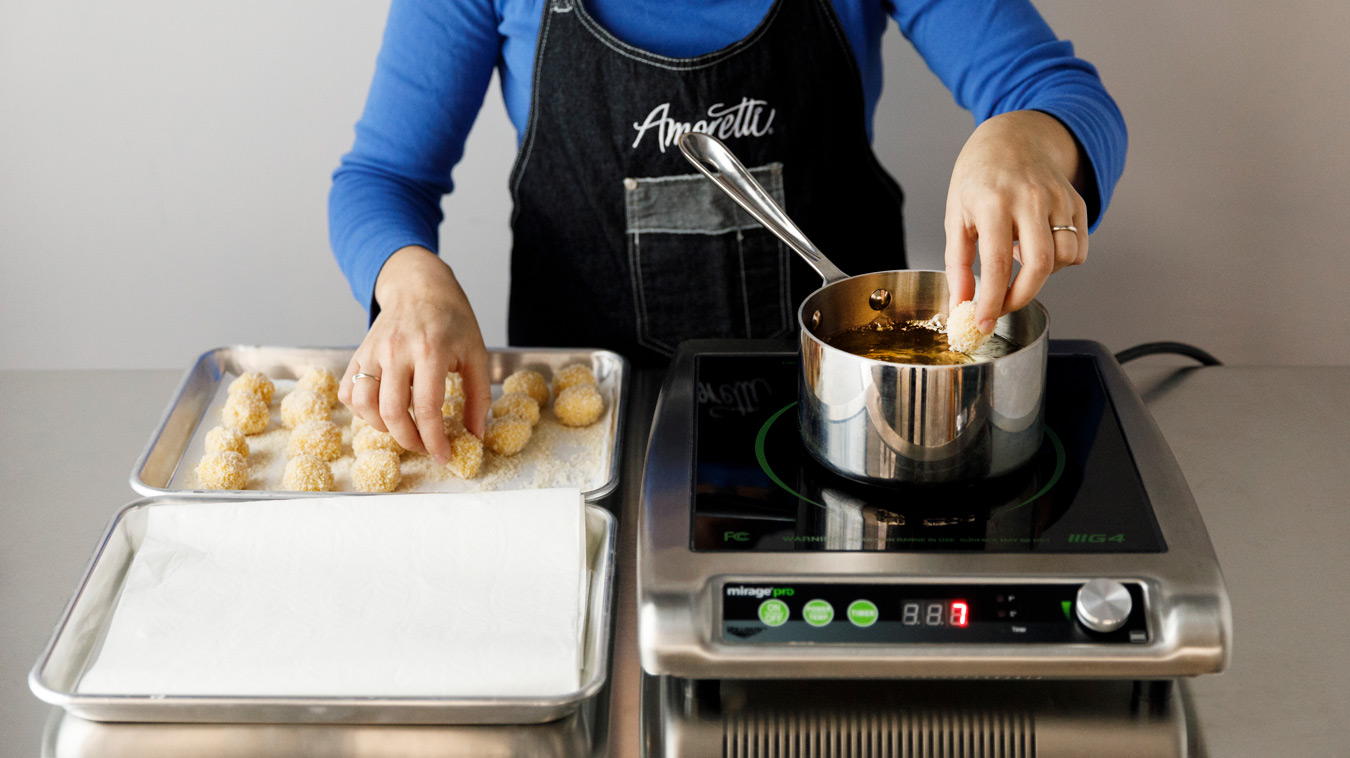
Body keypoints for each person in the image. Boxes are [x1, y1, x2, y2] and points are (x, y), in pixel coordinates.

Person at [329, 0, 1127, 465]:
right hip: (578, 446)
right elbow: (383, 179)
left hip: (854, 428)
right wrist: (408, 281)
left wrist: (1024, 137)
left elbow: (1057, 89)